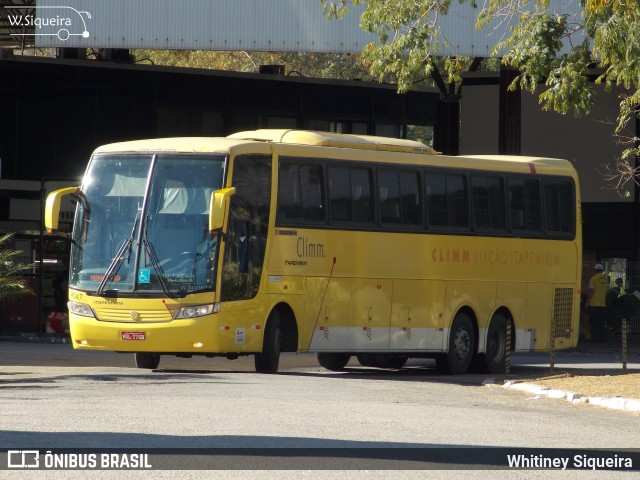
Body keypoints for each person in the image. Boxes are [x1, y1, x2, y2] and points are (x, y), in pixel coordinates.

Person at [586, 263, 609, 342]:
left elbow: (590, 291)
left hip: (593, 304)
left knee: (594, 322)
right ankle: (601, 339)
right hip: (602, 305)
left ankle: (594, 339)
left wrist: (587, 301)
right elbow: (607, 292)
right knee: (601, 323)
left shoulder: (593, 278)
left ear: (595, 270)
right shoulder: (606, 280)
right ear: (602, 270)